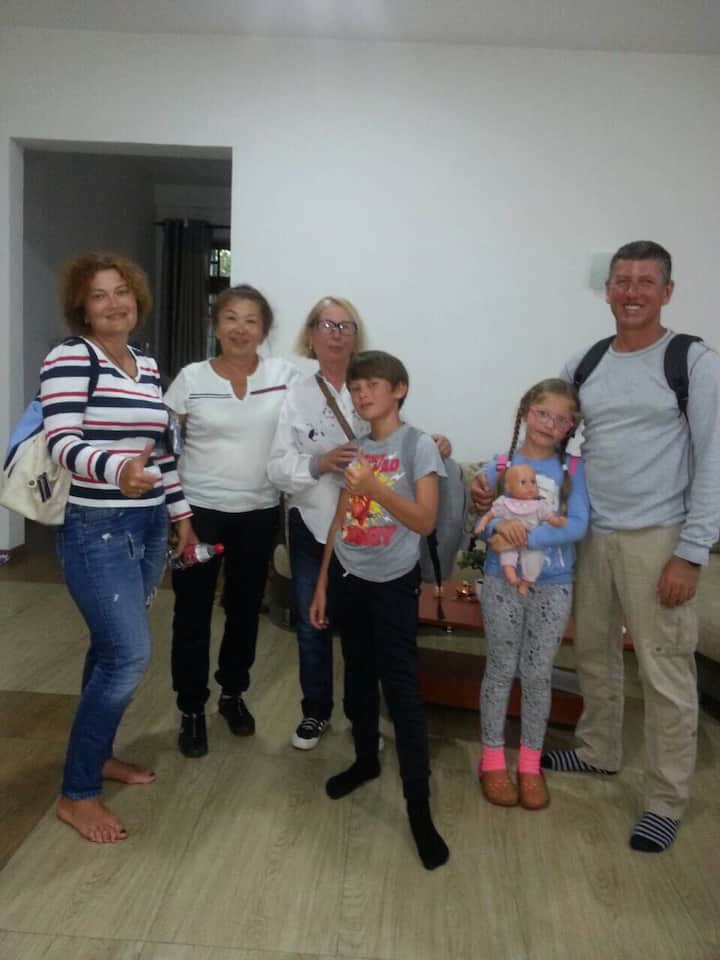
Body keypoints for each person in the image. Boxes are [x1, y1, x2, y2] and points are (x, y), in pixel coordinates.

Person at [539, 241, 720, 852]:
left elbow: (714, 461)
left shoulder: (692, 362)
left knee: (664, 670)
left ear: (667, 291)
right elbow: (551, 440)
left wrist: (691, 553)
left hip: (660, 538)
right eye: (622, 280)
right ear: (608, 290)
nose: (632, 291)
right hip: (593, 533)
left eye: (646, 281)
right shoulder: (585, 363)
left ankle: (666, 799)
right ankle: (598, 750)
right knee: (593, 651)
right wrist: (510, 486)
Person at [40, 252, 195, 843]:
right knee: (128, 656)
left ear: (137, 299)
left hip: (148, 524)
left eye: (122, 291)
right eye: (99, 294)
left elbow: (160, 452)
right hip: (95, 527)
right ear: (82, 307)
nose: (113, 303)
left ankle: (98, 755)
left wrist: (180, 514)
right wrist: (115, 469)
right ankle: (76, 793)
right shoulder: (70, 357)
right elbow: (61, 442)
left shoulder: (146, 365)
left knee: (108, 651)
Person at [267, 298, 451, 750]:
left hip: (372, 534)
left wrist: (434, 444)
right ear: (310, 334)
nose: (335, 334)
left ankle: (361, 720)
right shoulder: (296, 394)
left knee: (363, 639)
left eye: (345, 326)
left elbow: (397, 438)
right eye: (325, 325)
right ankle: (315, 712)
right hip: (316, 523)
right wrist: (320, 462)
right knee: (312, 623)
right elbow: (276, 467)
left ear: (356, 334)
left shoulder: (371, 380)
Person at [309, 350, 450, 870]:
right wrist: (322, 581)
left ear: (399, 389)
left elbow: (425, 521)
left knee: (402, 689)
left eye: (372, 384)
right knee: (357, 677)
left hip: (393, 582)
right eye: (356, 387)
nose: (362, 393)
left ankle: (418, 807)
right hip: (348, 575)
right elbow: (342, 517)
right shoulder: (357, 449)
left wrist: (376, 487)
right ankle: (366, 760)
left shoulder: (418, 446)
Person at [164, 284, 301, 758]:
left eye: (251, 320)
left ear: (264, 330)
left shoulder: (284, 376)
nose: (240, 329)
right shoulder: (190, 379)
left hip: (258, 512)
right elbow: (161, 445)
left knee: (244, 610)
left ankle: (232, 693)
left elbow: (325, 415)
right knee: (192, 611)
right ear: (215, 324)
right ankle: (190, 708)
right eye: (230, 318)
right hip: (198, 514)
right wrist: (176, 515)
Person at [474, 380, 589, 810]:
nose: (550, 424)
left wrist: (527, 536)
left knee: (538, 673)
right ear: (526, 411)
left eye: (562, 419)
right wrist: (495, 526)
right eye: (543, 413)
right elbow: (482, 521)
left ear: (570, 427)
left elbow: (577, 525)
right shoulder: (500, 465)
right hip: (501, 583)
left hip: (554, 585)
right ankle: (491, 760)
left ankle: (529, 763)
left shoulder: (574, 469)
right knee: (501, 668)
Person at [474, 462, 567, 594]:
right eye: (523, 482)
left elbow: (550, 518)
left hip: (531, 543)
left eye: (533, 482)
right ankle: (512, 578)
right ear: (509, 487)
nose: (530, 486)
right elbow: (489, 515)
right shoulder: (505, 503)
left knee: (534, 561)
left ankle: (525, 583)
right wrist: (483, 524)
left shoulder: (539, 505)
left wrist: (558, 522)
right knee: (507, 556)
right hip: (509, 540)